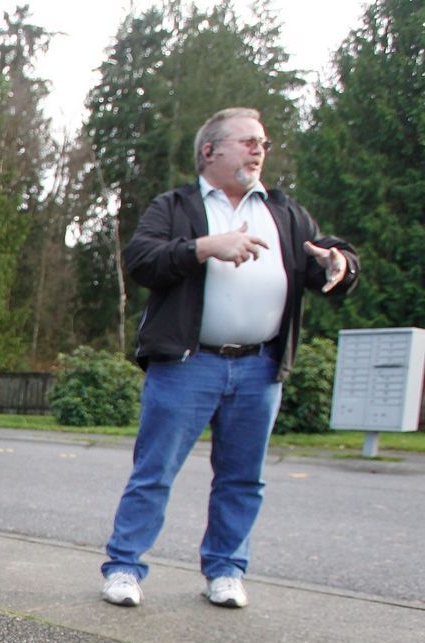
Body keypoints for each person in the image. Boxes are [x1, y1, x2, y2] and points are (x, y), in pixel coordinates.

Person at [101, 107, 358, 609]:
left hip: (260, 368)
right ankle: (124, 567)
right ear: (210, 151)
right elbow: (141, 259)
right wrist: (204, 247)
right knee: (154, 472)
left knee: (242, 479)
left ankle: (225, 570)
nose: (259, 150)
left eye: (262, 143)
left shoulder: (284, 212)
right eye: (247, 141)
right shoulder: (176, 206)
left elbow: (327, 257)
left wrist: (340, 263)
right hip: (187, 365)